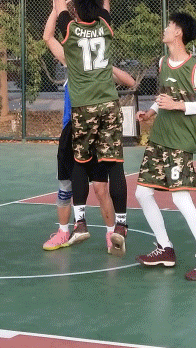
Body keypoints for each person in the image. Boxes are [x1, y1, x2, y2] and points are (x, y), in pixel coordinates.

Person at [43, 0, 131, 256]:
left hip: (84, 107)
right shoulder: (105, 26)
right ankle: (121, 224)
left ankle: (80, 222)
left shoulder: (69, 30)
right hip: (109, 104)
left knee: (80, 162)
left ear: (76, 9)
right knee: (115, 165)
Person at [134, 12, 196, 281]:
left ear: (179, 33)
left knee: (180, 199)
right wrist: (151, 111)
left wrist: (178, 105)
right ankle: (165, 248)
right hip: (159, 138)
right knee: (142, 193)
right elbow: (163, 96)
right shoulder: (163, 62)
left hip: (180, 142)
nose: (165, 28)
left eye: (170, 26)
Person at [43, 66, 136, 253]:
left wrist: (106, 63)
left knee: (101, 188)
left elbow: (130, 82)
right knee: (65, 187)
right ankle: (64, 232)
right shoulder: (75, 64)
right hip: (71, 131)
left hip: (97, 133)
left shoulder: (101, 70)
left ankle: (112, 235)